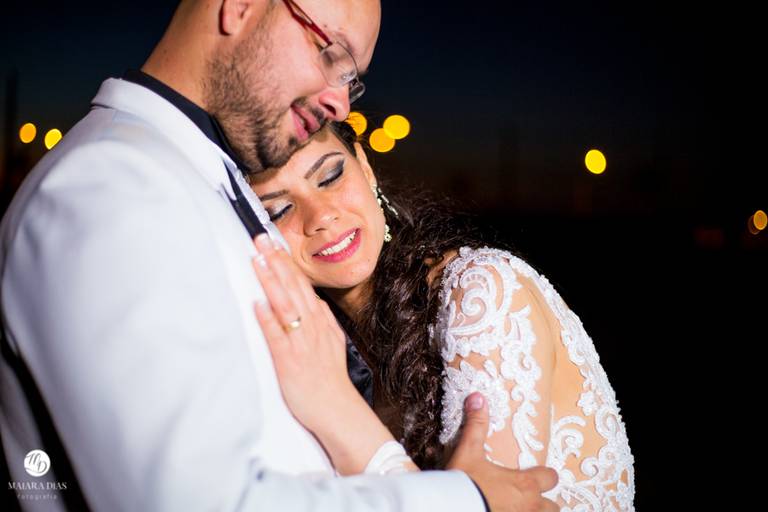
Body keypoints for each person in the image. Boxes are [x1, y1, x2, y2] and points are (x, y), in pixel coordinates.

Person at [0, 0, 558, 510]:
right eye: (330, 53)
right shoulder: (111, 184)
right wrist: (464, 501)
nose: (340, 102)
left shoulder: (197, 174)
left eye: (351, 79)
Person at [248, 121, 635, 510]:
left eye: (330, 176)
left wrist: (334, 406)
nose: (320, 216)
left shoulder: (479, 292)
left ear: (364, 167)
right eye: (278, 210)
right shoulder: (326, 348)